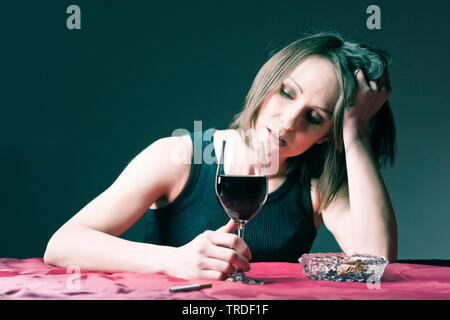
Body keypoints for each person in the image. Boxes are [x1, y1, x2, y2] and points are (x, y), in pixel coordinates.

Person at [44, 32, 398, 280]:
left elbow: (375, 262)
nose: (288, 121)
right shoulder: (181, 156)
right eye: (287, 93)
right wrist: (175, 260)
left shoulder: (318, 186)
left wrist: (356, 134)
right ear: (267, 82)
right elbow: (62, 244)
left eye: (315, 118)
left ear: (326, 137)